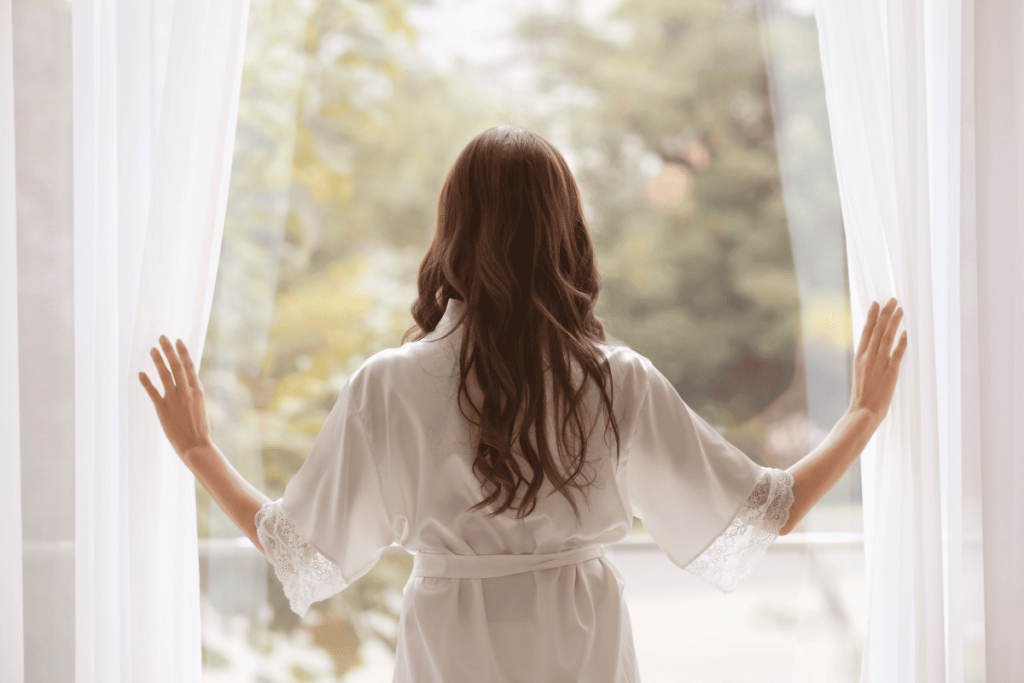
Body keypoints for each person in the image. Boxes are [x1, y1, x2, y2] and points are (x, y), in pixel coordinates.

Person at [139, 124, 908, 683]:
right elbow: (765, 510)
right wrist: (861, 416)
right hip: (585, 651)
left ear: (453, 231)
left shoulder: (391, 383)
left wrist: (200, 453)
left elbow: (297, 546)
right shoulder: (616, 380)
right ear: (566, 233)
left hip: (448, 656)